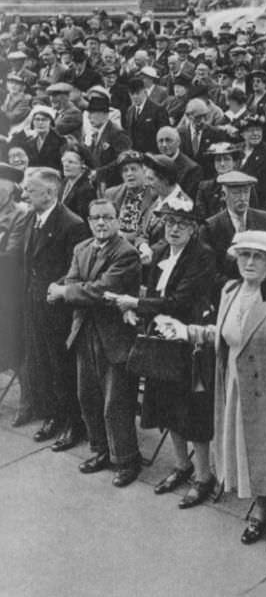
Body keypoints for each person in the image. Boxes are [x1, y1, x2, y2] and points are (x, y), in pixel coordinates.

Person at [159, 230, 266, 549]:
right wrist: (186, 331)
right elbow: (225, 333)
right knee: (244, 453)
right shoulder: (230, 289)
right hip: (234, 386)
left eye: (258, 256)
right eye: (244, 255)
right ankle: (263, 508)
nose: (249, 262)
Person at [107, 195, 221, 508]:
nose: (174, 229)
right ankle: (181, 465)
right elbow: (147, 289)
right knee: (168, 404)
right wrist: (135, 310)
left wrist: (137, 305)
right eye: (170, 222)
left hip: (190, 340)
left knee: (193, 410)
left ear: (194, 229)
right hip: (161, 338)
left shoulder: (203, 256)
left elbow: (180, 301)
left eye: (182, 224)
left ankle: (203, 475)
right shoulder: (158, 251)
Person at [48, 198, 142, 487]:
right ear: (88, 221)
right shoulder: (82, 248)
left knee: (116, 401)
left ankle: (126, 459)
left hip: (114, 336)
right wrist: (71, 289)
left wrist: (64, 292)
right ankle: (100, 450)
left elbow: (102, 290)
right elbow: (77, 280)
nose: (101, 223)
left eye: (107, 217)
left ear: (117, 221)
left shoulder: (126, 253)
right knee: (87, 395)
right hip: (84, 330)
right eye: (95, 218)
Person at [23, 168, 89, 448]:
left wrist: (56, 289)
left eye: (30, 190)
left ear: (49, 193)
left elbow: (76, 271)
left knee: (63, 367)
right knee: (43, 364)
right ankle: (53, 415)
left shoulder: (71, 224)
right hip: (35, 304)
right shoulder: (32, 218)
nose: (24, 194)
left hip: (58, 309)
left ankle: (74, 424)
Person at [199, 170, 266, 304]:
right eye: (236, 193)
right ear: (224, 195)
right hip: (226, 297)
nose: (242, 198)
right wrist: (240, 290)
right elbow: (209, 273)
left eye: (246, 192)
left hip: (265, 295)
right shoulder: (210, 228)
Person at [0, 163, 30, 425]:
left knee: (17, 346)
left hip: (10, 290)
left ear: (12, 189)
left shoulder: (20, 215)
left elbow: (11, 255)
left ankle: (27, 401)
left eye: (2, 185)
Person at [104, 150, 155, 245]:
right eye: (125, 170)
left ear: (144, 171)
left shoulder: (154, 194)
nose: (129, 174)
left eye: (133, 169)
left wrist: (124, 236)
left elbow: (148, 232)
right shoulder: (111, 194)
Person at [237, 113, 266, 210]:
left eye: (258, 130)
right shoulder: (236, 150)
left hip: (259, 204)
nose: (256, 134)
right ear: (242, 134)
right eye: (251, 130)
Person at [60, 144, 96, 222]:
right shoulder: (64, 182)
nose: (66, 165)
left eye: (71, 162)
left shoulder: (86, 190)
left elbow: (83, 222)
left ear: (83, 165)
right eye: (64, 161)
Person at [24, 105, 66, 172]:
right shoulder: (29, 143)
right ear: (33, 122)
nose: (40, 123)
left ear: (50, 122)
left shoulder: (61, 141)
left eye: (44, 120)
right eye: (37, 119)